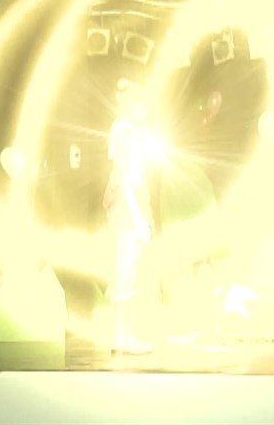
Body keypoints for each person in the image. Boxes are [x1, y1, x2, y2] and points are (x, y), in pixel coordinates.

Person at [103, 79, 155, 354]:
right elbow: (122, 175)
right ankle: (120, 337)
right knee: (125, 272)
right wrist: (136, 216)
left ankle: (123, 336)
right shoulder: (122, 131)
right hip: (128, 204)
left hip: (134, 201)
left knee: (129, 272)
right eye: (142, 103)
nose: (146, 108)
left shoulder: (131, 132)